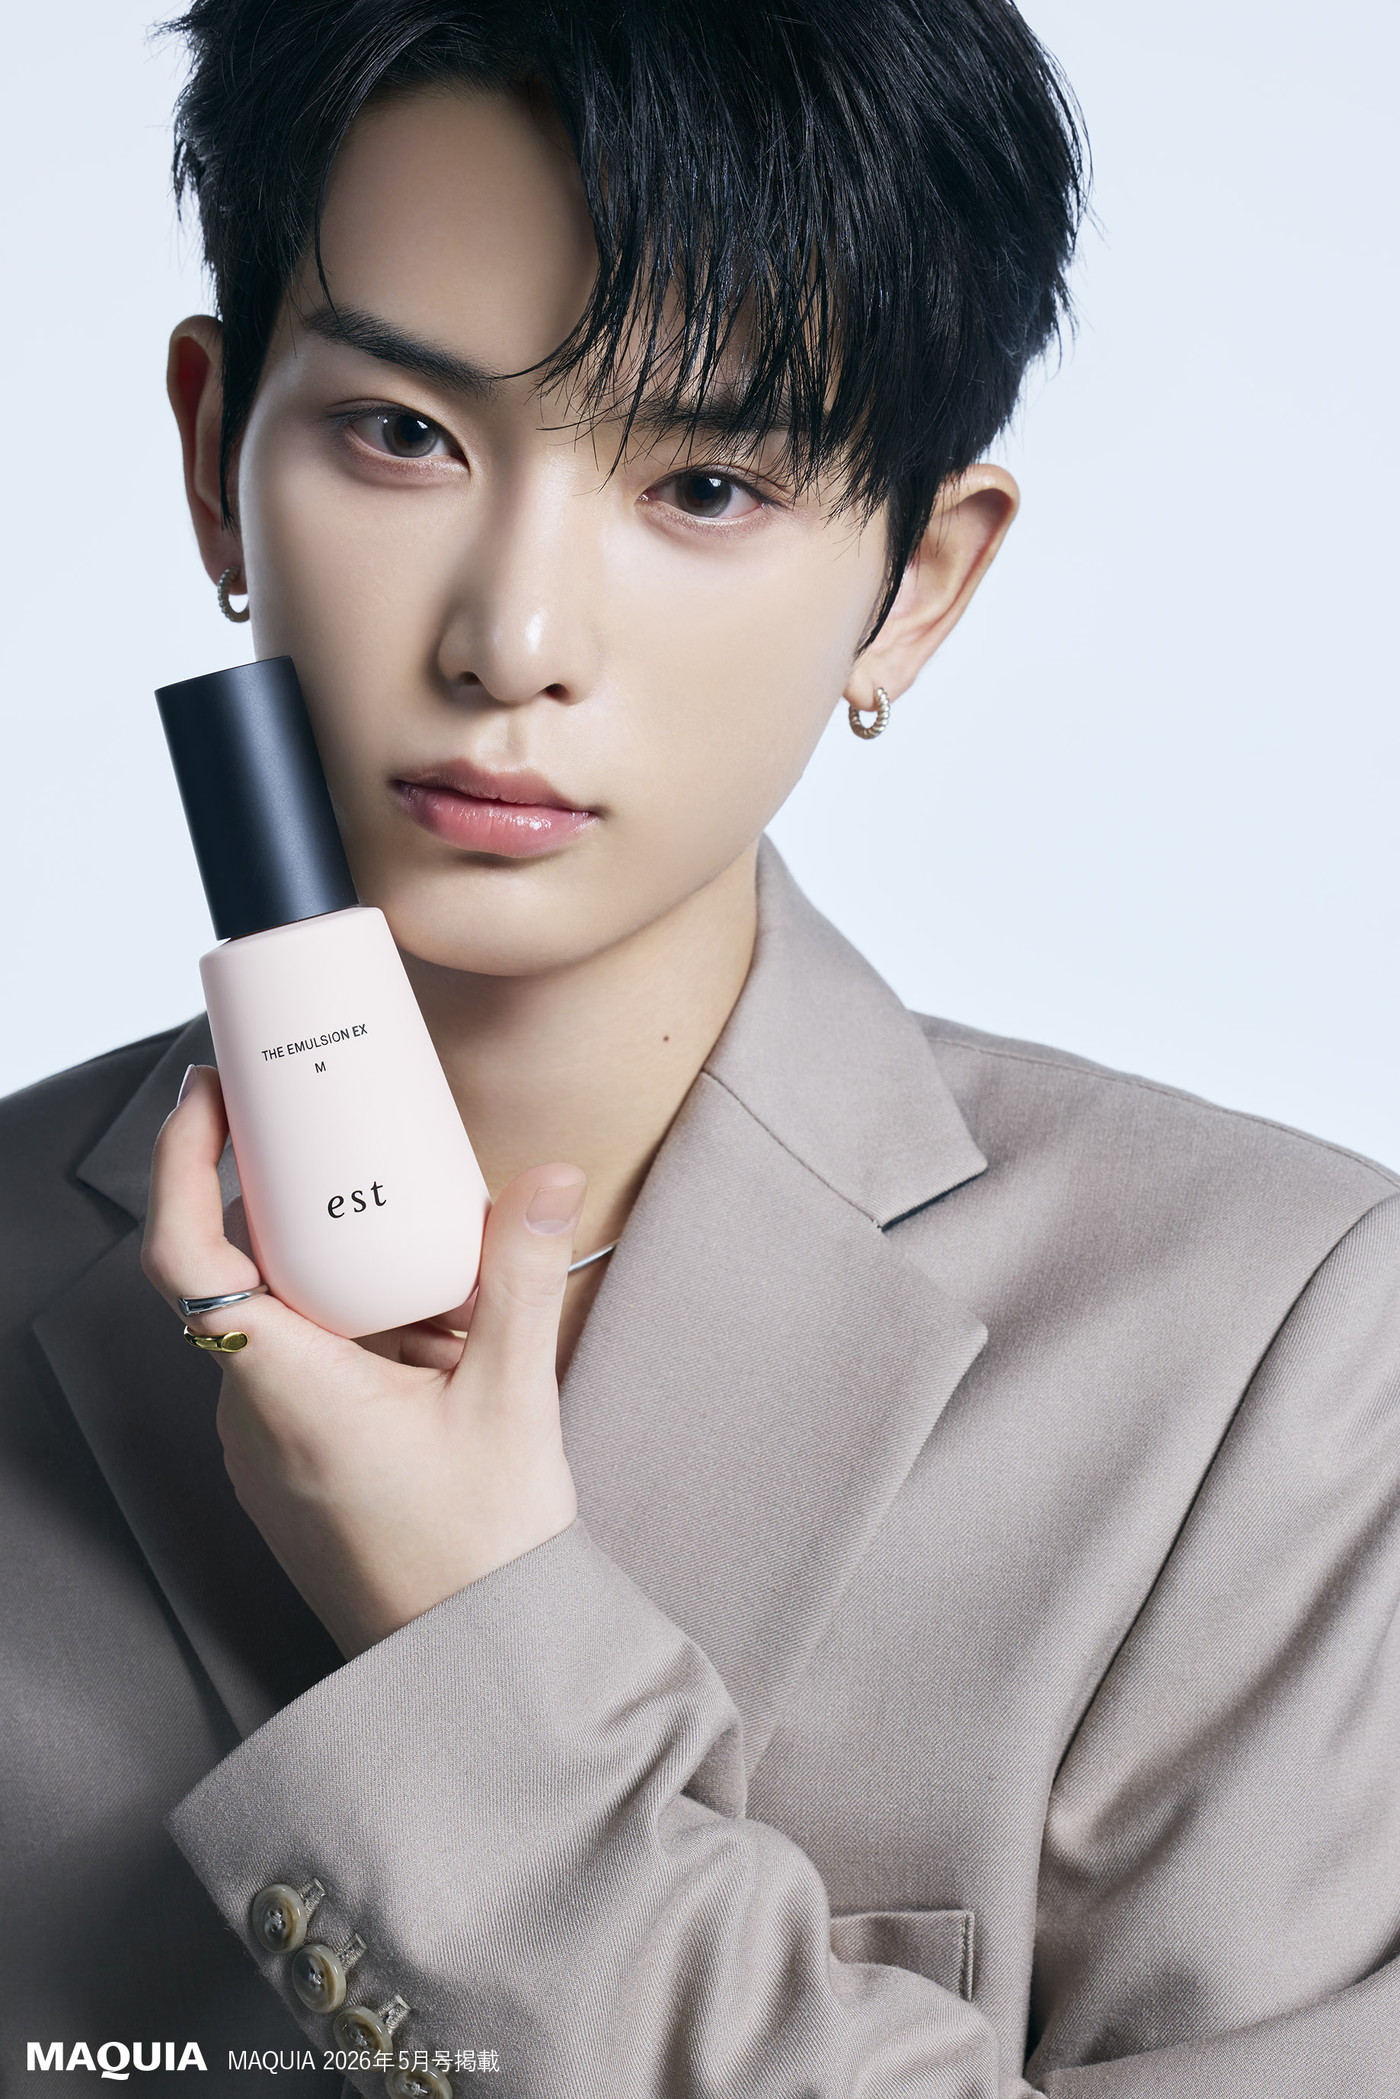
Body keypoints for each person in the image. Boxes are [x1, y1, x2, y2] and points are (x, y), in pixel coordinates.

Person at [1, 1, 1396, 2094]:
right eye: (401, 435)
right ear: (214, 458)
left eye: (710, 483)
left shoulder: (1267, 1358)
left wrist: (475, 1659)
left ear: (919, 583)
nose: (514, 640)